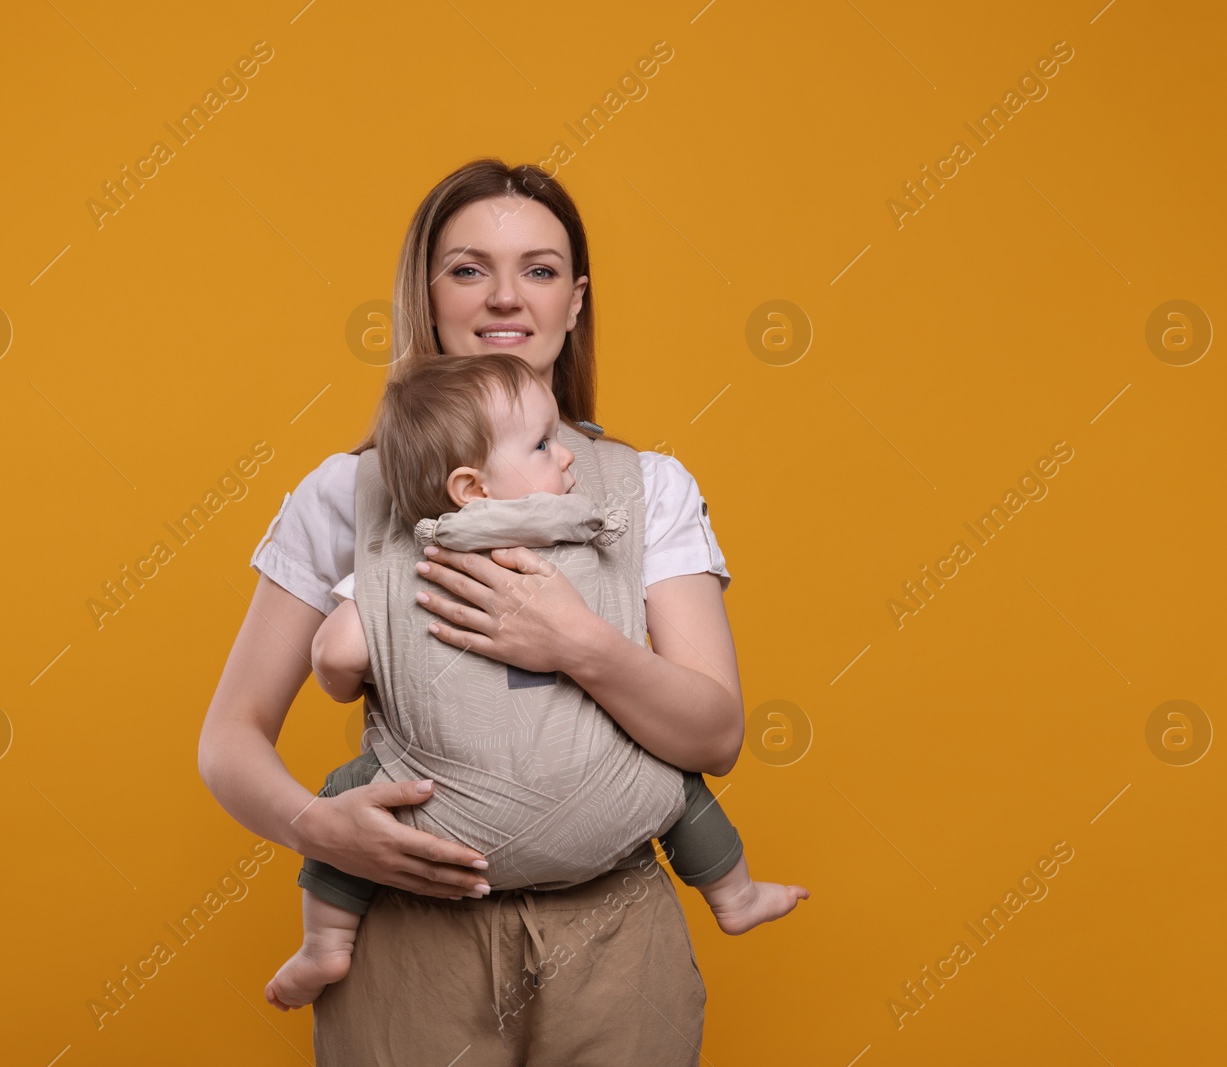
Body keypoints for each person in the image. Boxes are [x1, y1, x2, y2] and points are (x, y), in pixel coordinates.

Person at [199, 158, 766, 1065]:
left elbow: (715, 738)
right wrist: (316, 825)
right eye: (469, 268)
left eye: (539, 270)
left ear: (575, 302)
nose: (506, 298)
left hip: (616, 936)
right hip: (413, 941)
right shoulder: (346, 493)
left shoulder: (648, 487)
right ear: (425, 300)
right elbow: (228, 737)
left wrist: (577, 641)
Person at [263, 353, 807, 1010]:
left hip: (443, 810)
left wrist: (348, 667)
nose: (568, 457)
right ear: (473, 487)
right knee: (675, 785)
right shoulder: (589, 539)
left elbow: (339, 655)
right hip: (594, 799)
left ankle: (325, 942)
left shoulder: (419, 557)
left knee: (347, 793)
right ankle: (735, 893)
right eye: (546, 445)